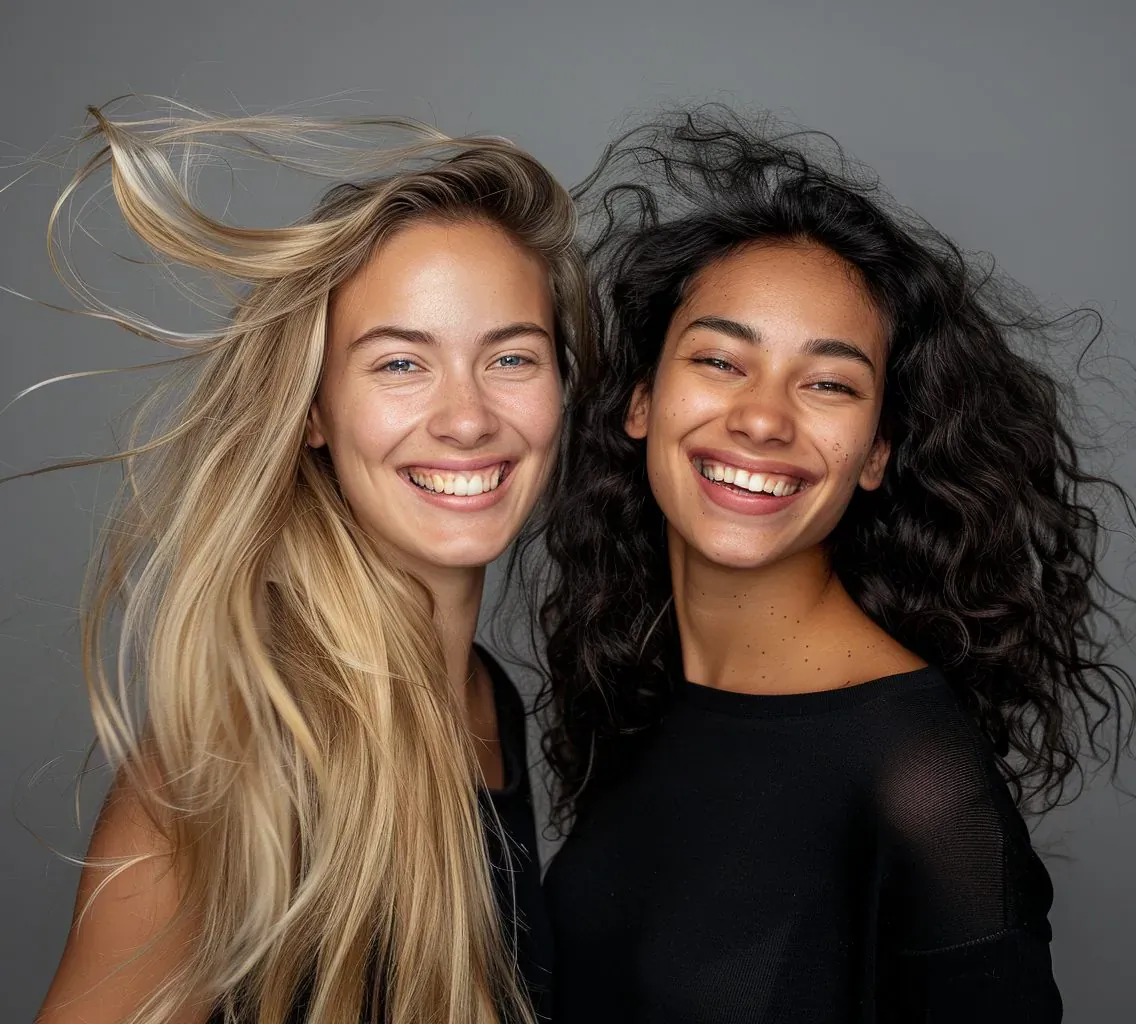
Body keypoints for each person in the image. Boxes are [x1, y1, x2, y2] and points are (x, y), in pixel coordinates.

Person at [537, 108, 1134, 1022]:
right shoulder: (646, 687)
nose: (764, 418)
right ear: (642, 402)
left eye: (828, 383)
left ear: (877, 453)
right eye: (720, 360)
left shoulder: (918, 773)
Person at [27, 101, 588, 1024]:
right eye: (401, 364)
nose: (466, 417)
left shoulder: (486, 699)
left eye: (512, 358)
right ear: (315, 412)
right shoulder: (235, 754)